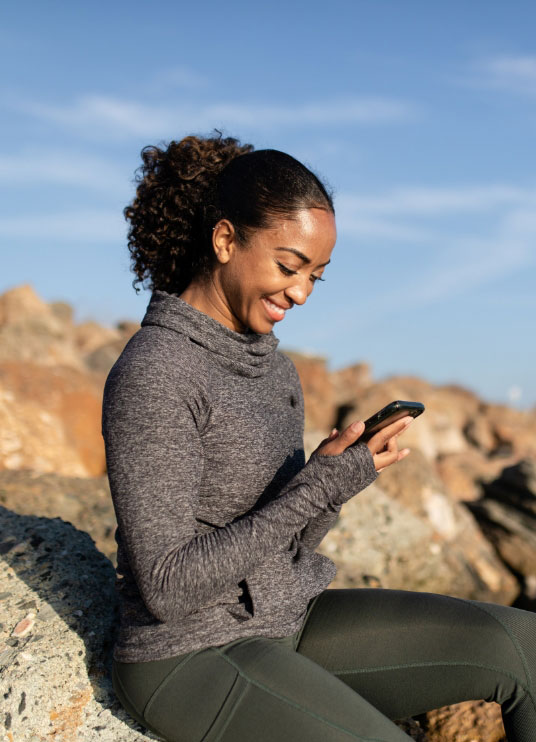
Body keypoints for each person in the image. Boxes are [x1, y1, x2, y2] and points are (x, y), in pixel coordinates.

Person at [102, 133, 536, 742]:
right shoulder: (156, 372)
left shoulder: (273, 368)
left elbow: (288, 545)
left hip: (288, 622)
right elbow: (168, 587)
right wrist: (313, 490)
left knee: (525, 646)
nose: (301, 292)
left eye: (316, 276)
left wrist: (333, 484)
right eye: (288, 266)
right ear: (225, 240)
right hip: (190, 657)